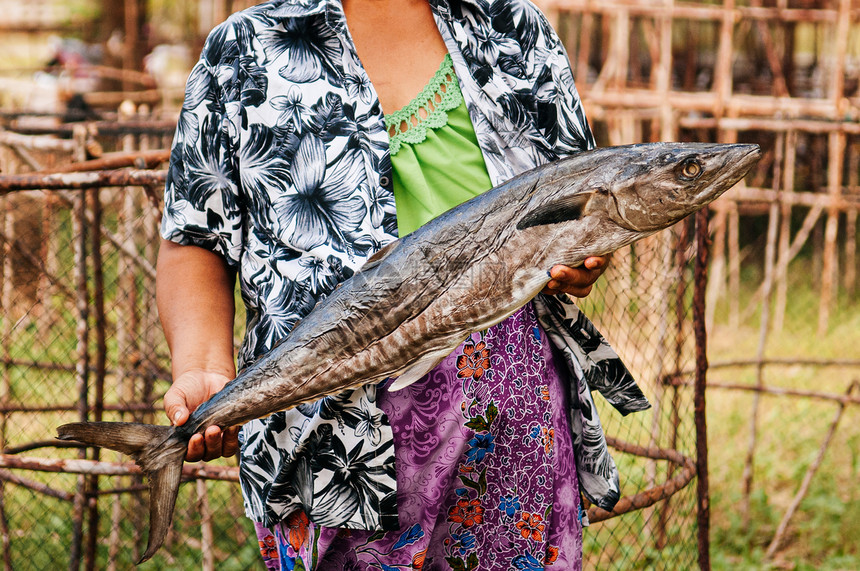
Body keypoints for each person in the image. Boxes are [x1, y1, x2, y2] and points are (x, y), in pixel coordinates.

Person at [156, 0, 651, 568]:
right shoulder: (245, 50)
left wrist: (584, 259)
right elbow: (195, 239)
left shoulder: (513, 31)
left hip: (515, 431)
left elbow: (579, 204)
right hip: (331, 440)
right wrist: (201, 366)